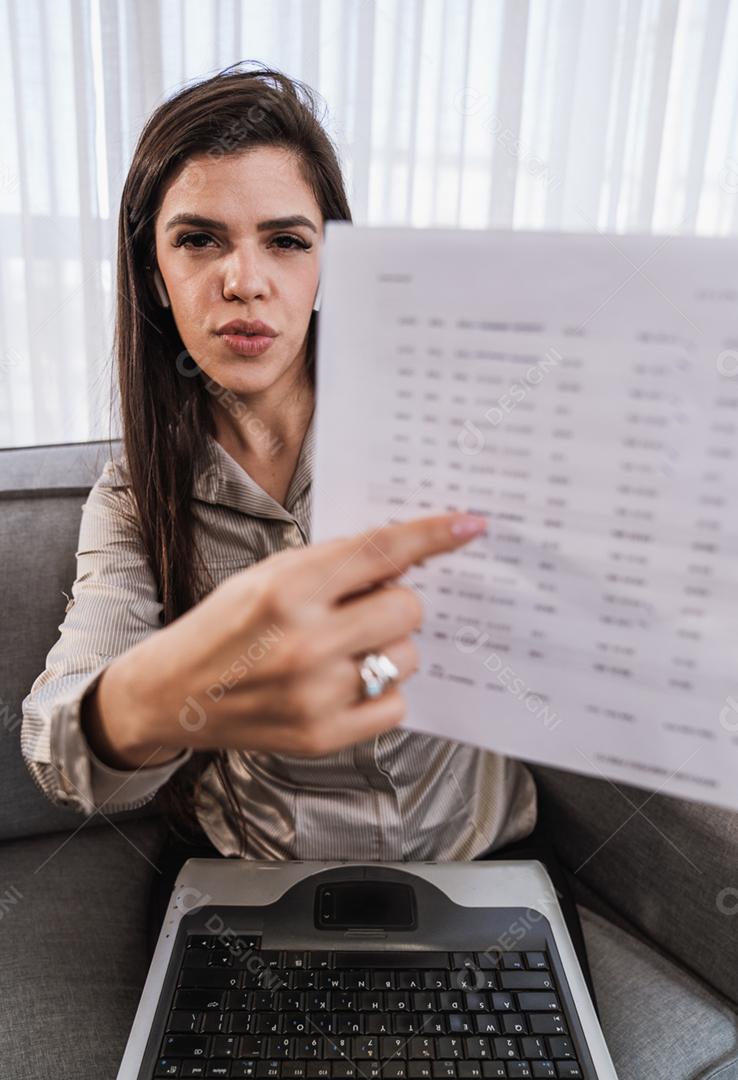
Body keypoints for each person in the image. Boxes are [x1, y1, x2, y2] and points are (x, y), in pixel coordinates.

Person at [19, 61, 596, 1004]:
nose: (244, 281)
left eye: (285, 240)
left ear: (329, 265)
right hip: (254, 887)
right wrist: (164, 694)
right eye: (199, 239)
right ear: (155, 277)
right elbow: (56, 738)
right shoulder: (134, 494)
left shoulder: (455, 431)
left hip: (481, 871)